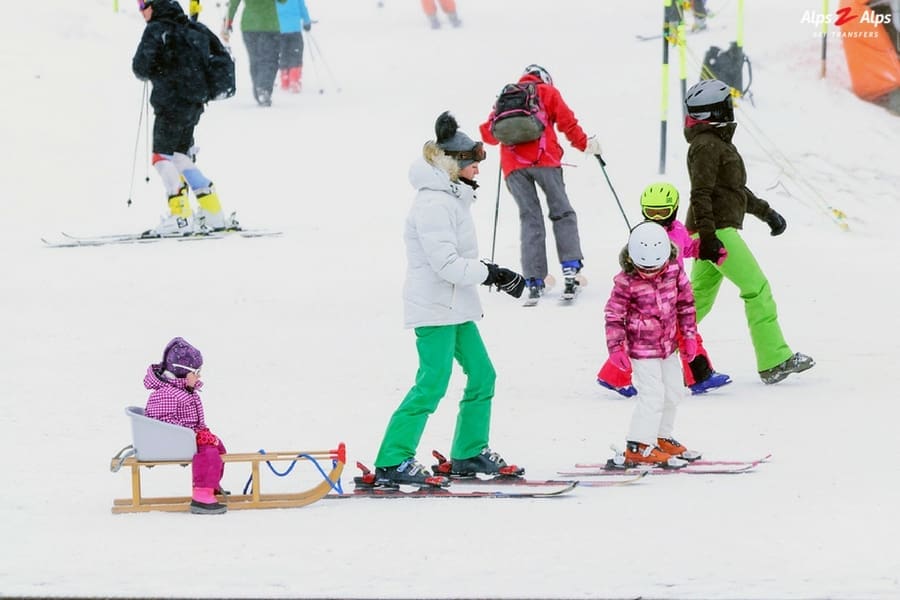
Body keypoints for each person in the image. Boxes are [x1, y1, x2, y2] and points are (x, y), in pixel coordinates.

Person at [373, 112, 526, 487]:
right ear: (453, 164)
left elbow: (456, 263)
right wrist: (492, 273)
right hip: (434, 308)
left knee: (483, 374)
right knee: (432, 384)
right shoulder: (433, 204)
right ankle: (392, 459)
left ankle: (469, 452)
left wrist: (491, 272)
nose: (477, 169)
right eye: (473, 163)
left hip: (454, 307)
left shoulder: (452, 199)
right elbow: (446, 265)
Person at [683, 79, 814, 385]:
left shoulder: (717, 143)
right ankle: (774, 360)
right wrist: (710, 237)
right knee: (757, 289)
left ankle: (653, 349)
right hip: (714, 230)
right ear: (714, 110)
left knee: (696, 299)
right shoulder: (705, 146)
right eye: (726, 103)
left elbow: (735, 191)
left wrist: (768, 214)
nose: (731, 108)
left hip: (710, 230)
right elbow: (699, 194)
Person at [479, 64, 603, 303]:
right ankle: (570, 269)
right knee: (562, 212)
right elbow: (568, 124)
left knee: (530, 218)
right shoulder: (547, 92)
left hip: (513, 167)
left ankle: (534, 279)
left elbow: (488, 134)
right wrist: (586, 144)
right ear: (546, 78)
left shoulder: (507, 96)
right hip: (545, 160)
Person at [597, 182, 732, 396]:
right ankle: (614, 376)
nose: (657, 218)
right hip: (651, 296)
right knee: (644, 339)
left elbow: (686, 248)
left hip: (674, 293)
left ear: (674, 209)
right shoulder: (645, 236)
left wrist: (705, 250)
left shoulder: (678, 229)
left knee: (686, 334)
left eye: (662, 212)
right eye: (651, 212)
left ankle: (700, 376)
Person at [133, 0, 237, 236]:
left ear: (155, 5)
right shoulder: (195, 29)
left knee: (161, 157)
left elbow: (140, 67)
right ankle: (213, 211)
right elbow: (220, 55)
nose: (141, 10)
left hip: (170, 103)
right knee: (179, 156)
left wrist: (160, 69)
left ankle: (179, 216)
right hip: (194, 103)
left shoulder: (158, 29)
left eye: (142, 4)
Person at [604, 222, 699, 467]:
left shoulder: (675, 272)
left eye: (655, 267)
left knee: (675, 391)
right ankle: (638, 445)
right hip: (641, 348)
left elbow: (686, 305)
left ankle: (660, 436)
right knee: (653, 395)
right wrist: (616, 348)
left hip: (667, 345)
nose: (649, 273)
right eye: (643, 268)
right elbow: (614, 315)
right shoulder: (626, 281)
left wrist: (688, 336)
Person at [144, 337, 228, 515]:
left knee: (218, 447)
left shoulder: (182, 390)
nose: (199, 376)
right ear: (182, 373)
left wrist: (201, 432)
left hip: (187, 436)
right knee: (208, 453)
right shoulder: (167, 394)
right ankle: (201, 496)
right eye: (196, 372)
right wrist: (193, 434)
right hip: (173, 441)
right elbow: (162, 423)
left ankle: (210, 484)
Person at [223, 0, 285, 107]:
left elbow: (233, 3)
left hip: (249, 25)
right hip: (269, 25)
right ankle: (264, 89)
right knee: (270, 59)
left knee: (255, 59)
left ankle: (259, 91)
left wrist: (227, 22)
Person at [275, 0, 312, 93]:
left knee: (283, 54)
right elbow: (302, 8)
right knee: (295, 53)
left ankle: (285, 80)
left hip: (279, 29)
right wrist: (307, 21)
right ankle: (294, 80)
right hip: (294, 29)